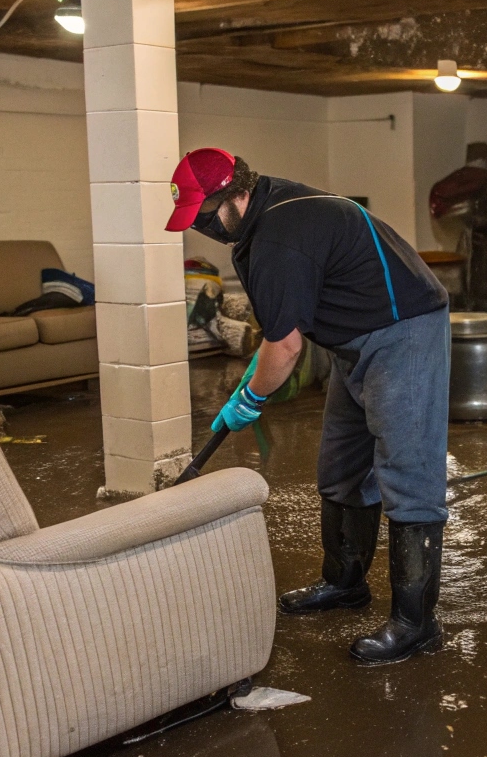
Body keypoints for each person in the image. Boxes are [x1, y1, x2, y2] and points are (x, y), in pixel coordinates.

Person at [166, 148, 453, 666]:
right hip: (351, 336)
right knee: (341, 465)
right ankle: (345, 583)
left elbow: (287, 347)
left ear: (235, 194)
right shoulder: (258, 225)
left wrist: (253, 397)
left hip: (403, 327)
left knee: (407, 473)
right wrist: (245, 389)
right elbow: (279, 331)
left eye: (205, 215)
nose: (203, 227)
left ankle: (417, 623)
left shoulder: (279, 235)